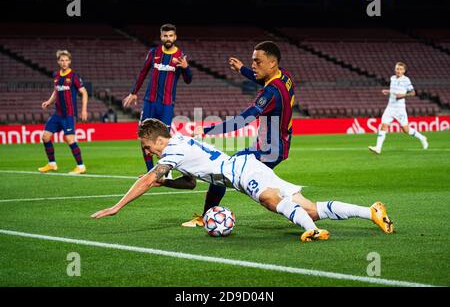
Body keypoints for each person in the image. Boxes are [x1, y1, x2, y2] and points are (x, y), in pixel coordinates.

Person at [91, 118, 395, 242]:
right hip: (243, 165)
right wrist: (167, 183)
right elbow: (191, 183)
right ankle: (370, 212)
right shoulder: (179, 145)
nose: (147, 152)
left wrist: (118, 206)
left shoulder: (172, 150)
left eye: (146, 147)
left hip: (240, 171)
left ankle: (312, 231)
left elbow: (145, 180)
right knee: (309, 206)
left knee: (270, 201)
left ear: (155, 140)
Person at [182, 41, 295, 227]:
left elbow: (242, 120)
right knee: (259, 186)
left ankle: (206, 218)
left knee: (222, 172)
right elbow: (262, 78)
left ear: (272, 63)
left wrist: (207, 129)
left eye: (258, 61)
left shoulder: (271, 93)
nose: (253, 65)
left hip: (270, 150)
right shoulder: (284, 77)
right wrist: (242, 69)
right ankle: (304, 211)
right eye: (252, 61)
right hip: (274, 145)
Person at [123, 23, 192, 174]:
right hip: (150, 102)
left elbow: (188, 80)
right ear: (161, 37)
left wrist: (186, 68)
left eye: (170, 36)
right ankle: (151, 173)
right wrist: (134, 92)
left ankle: (166, 172)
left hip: (166, 105)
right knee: (143, 138)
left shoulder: (180, 57)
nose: (168, 38)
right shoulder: (154, 52)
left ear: (175, 37)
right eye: (165, 36)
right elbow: (143, 73)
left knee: (164, 141)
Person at [38, 50, 88, 174]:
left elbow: (84, 92)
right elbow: (56, 91)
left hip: (69, 114)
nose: (64, 62)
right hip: (57, 114)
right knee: (45, 137)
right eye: (62, 60)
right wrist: (49, 102)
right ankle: (52, 164)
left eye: (66, 60)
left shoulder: (74, 76)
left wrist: (84, 110)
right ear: (58, 62)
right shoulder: (57, 75)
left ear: (70, 61)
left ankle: (81, 166)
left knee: (70, 139)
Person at [369, 62, 428, 155]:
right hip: (390, 107)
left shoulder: (406, 80)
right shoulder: (392, 78)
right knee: (383, 125)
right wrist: (388, 91)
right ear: (395, 69)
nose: (398, 71)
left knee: (406, 130)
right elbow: (394, 91)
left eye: (401, 69)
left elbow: (413, 93)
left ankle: (422, 138)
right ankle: (378, 148)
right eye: (397, 69)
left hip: (400, 109)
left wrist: (404, 95)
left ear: (404, 71)